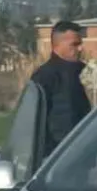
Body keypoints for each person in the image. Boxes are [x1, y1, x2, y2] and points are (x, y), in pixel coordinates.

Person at [30, 20, 91, 160]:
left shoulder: (72, 77)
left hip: (77, 159)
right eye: (75, 44)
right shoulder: (46, 76)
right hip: (56, 161)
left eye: (80, 44)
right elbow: (35, 123)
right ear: (58, 45)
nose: (80, 49)